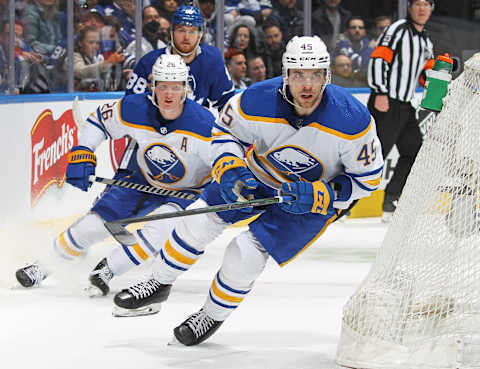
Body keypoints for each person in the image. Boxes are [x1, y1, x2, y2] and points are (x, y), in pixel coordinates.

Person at [112, 36, 384, 346]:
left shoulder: (352, 119)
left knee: (244, 253)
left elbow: (368, 180)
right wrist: (228, 164)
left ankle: (211, 315)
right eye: (298, 75)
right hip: (257, 174)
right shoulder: (257, 99)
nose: (306, 85)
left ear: (326, 76)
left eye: (314, 75)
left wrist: (325, 194)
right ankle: (158, 282)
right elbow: (225, 131)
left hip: (310, 199)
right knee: (195, 222)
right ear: (286, 75)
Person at [14, 54, 216, 297]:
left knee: (159, 230)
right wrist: (83, 150)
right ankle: (42, 266)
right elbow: (99, 120)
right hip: (144, 180)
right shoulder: (135, 108)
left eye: (175, 87)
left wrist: (229, 184)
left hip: (187, 191)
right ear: (153, 86)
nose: (169, 94)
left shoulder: (204, 124)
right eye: (163, 86)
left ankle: (107, 271)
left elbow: (223, 160)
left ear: (186, 87)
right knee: (94, 225)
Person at [368, 0, 434, 222]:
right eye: (418, 4)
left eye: (427, 5)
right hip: (387, 102)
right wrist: (380, 92)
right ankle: (345, 202)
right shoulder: (397, 29)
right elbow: (379, 58)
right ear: (410, 7)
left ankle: (391, 199)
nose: (422, 9)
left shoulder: (425, 39)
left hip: (405, 106)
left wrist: (443, 73)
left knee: (414, 151)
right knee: (374, 157)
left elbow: (426, 74)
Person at [125, 5, 235, 112]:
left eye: (192, 31)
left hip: (194, 129)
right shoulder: (149, 62)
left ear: (200, 34)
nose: (186, 37)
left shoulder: (212, 59)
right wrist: (151, 96)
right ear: (172, 32)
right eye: (181, 30)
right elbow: (130, 107)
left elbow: (226, 105)